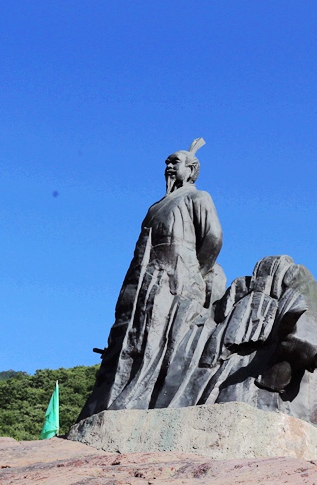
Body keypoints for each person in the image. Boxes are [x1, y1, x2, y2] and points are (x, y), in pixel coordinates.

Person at [80, 139, 225, 418]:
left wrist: (196, 271)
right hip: (145, 276)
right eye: (166, 163)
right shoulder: (155, 207)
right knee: (132, 338)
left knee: (162, 339)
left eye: (175, 162)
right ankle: (110, 401)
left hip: (177, 276)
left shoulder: (198, 197)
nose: (169, 167)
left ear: (192, 169)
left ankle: (145, 401)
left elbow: (213, 238)